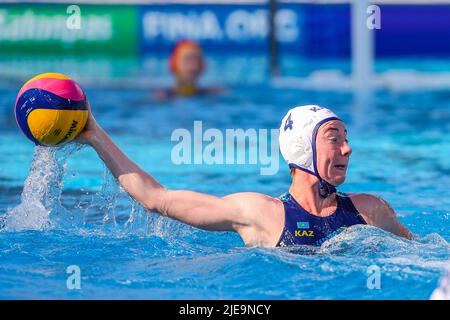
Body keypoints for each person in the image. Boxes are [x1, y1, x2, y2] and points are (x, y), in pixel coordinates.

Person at [77, 104, 412, 247]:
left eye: (347, 139)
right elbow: (156, 199)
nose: (347, 149)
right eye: (334, 139)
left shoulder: (371, 211)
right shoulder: (258, 214)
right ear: (303, 149)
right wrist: (95, 135)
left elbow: (429, 254)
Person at [154, 40, 225, 100]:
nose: (193, 66)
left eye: (197, 60)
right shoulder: (161, 97)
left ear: (203, 65)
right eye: (187, 59)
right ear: (173, 64)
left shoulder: (214, 94)